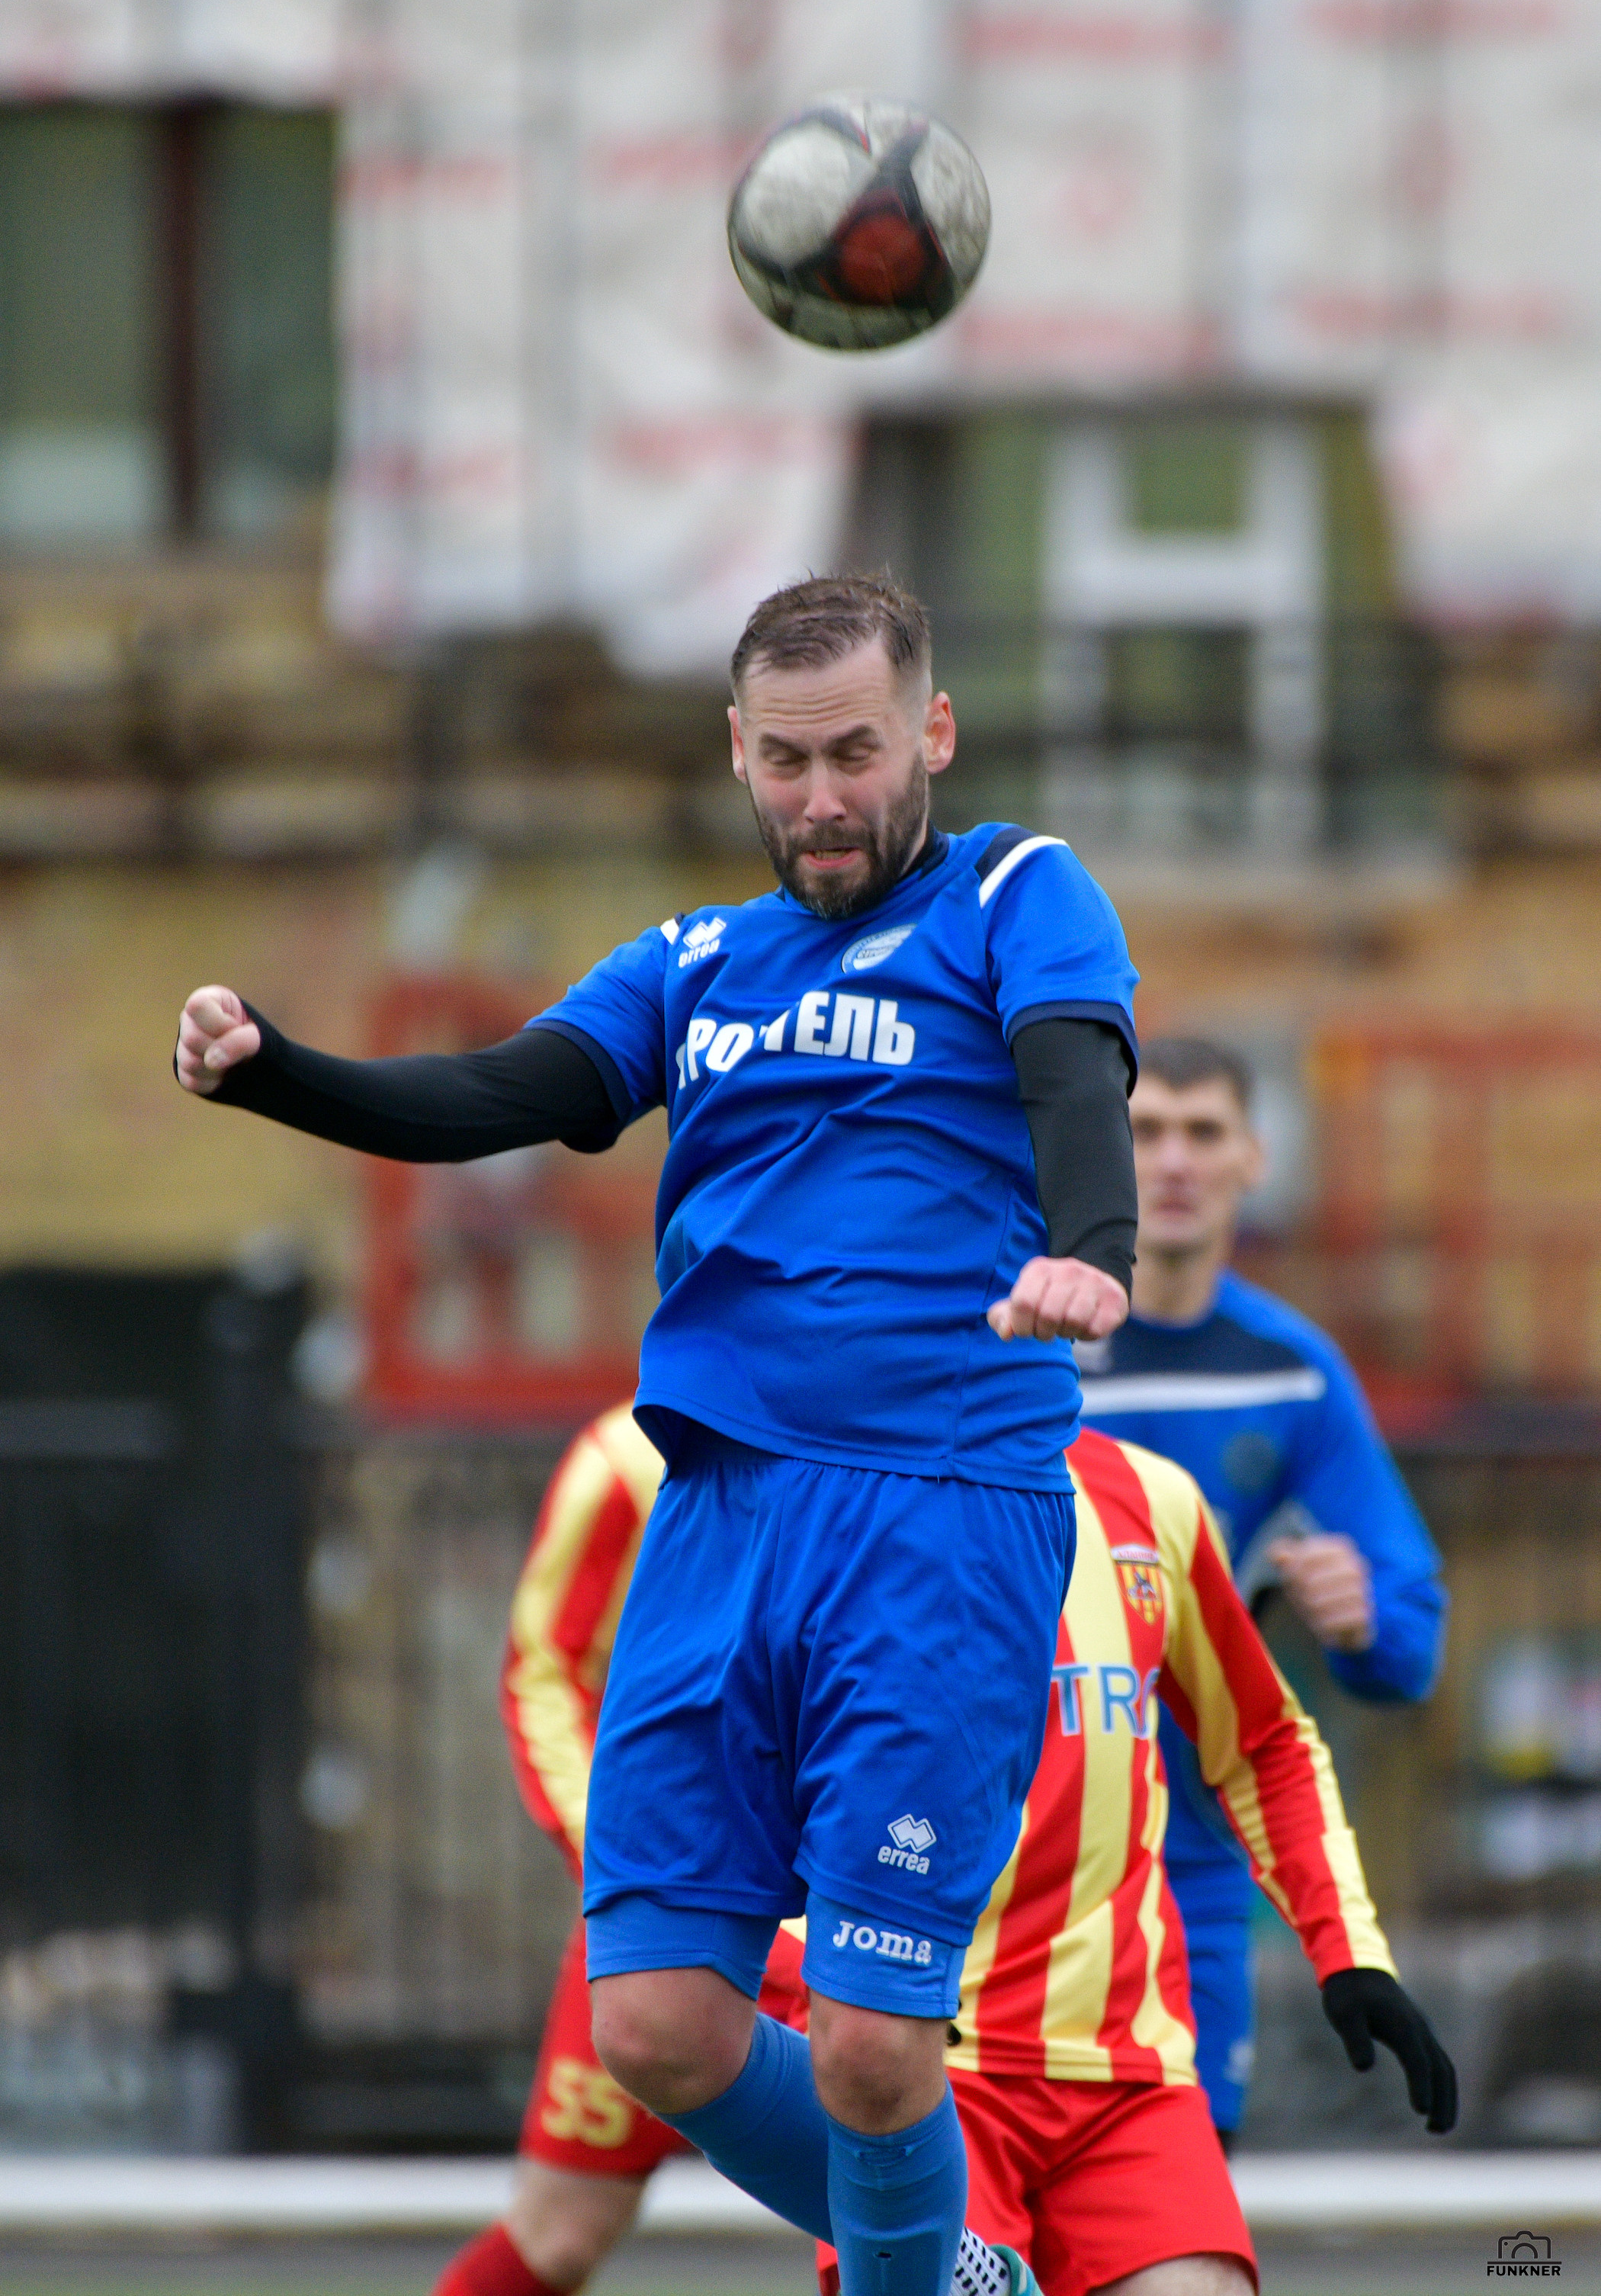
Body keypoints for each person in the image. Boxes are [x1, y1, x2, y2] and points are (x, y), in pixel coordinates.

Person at [174, 573, 1141, 2296]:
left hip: (933, 1519)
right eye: (787, 760)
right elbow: (502, 1095)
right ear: (738, 754)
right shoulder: (697, 959)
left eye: (857, 750)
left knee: (867, 2047)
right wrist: (275, 1072)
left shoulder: (1018, 890)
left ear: (930, 731)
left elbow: (1074, 1070)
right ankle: (959, 2260)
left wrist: (1092, 1250)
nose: (824, 796)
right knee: (660, 2028)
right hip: (714, 1528)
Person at [445, 1405, 1455, 2296]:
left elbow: (1266, 1743)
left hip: (1119, 2070)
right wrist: (649, 1891)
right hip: (886, 2039)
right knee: (560, 2229)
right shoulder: (691, 1464)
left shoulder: (1151, 1497)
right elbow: (553, 1676)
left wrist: (1348, 1945)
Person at [1074, 1035, 1448, 2143]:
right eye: (1145, 1132)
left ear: (1254, 1158)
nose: (1175, 1161)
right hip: (999, 1865)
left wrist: (1364, 1620)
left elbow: (1409, 1638)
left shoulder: (1293, 1372)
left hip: (1185, 1879)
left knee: (1181, 2208)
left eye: (1203, 1132)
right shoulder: (1026, 1343)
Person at [435, 1402, 805, 2296]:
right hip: (674, 1910)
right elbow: (544, 1669)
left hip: (846, 1916)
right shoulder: (624, 1457)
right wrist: (621, 1863)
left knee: (909, 2199)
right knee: (557, 2233)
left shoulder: (889, 1435)